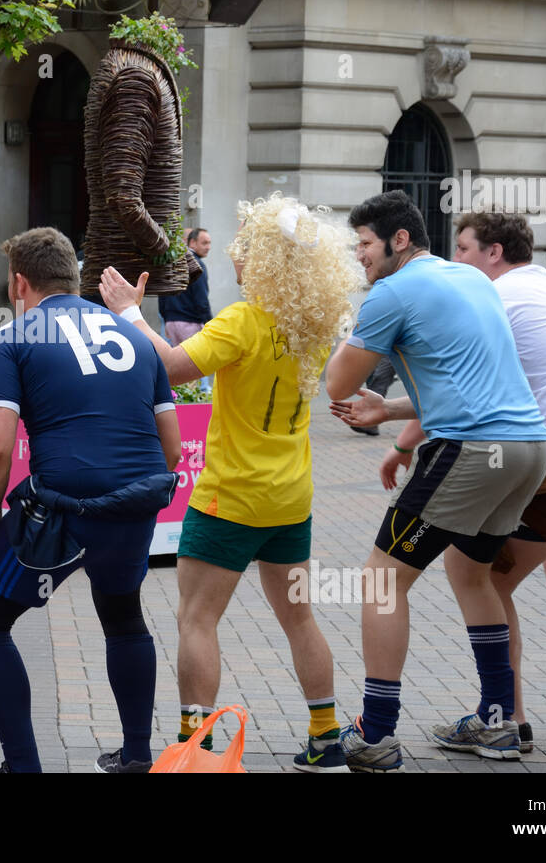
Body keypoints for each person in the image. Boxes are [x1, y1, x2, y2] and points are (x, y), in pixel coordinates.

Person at [340, 212, 546, 752]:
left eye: (465, 248)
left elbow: (474, 391)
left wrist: (398, 436)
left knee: (477, 573)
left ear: (493, 253)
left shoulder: (496, 298)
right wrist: (399, 425)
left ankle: (503, 720)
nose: (457, 260)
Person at [101, 193, 363, 773]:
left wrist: (129, 315)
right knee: (299, 617)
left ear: (266, 261)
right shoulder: (314, 325)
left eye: (246, 247)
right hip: (291, 497)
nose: (236, 256)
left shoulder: (244, 320)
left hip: (231, 496)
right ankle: (326, 738)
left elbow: (169, 367)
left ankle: (195, 748)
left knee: (197, 618)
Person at [324, 189, 546, 770]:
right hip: (530, 447)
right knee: (470, 572)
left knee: (381, 580)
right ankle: (498, 723)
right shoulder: (471, 279)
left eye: (366, 244)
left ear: (399, 240)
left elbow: (336, 385)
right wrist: (392, 411)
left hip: (471, 449)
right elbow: (468, 377)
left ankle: (374, 734)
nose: (359, 256)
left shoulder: (391, 292)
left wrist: (340, 321)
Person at [0, 227, 181, 774]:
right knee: (123, 616)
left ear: (20, 283)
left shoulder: (9, 339)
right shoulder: (137, 339)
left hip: (59, 510)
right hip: (135, 501)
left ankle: (23, 764)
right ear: (75, 277)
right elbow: (172, 448)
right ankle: (135, 755)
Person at [158, 228, 212, 346]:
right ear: (192, 242)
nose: (208, 247)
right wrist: (210, 324)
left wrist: (167, 318)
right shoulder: (196, 265)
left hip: (171, 323)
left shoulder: (172, 261)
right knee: (196, 363)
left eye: (209, 243)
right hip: (190, 323)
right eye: (204, 243)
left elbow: (162, 291)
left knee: (176, 362)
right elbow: (201, 300)